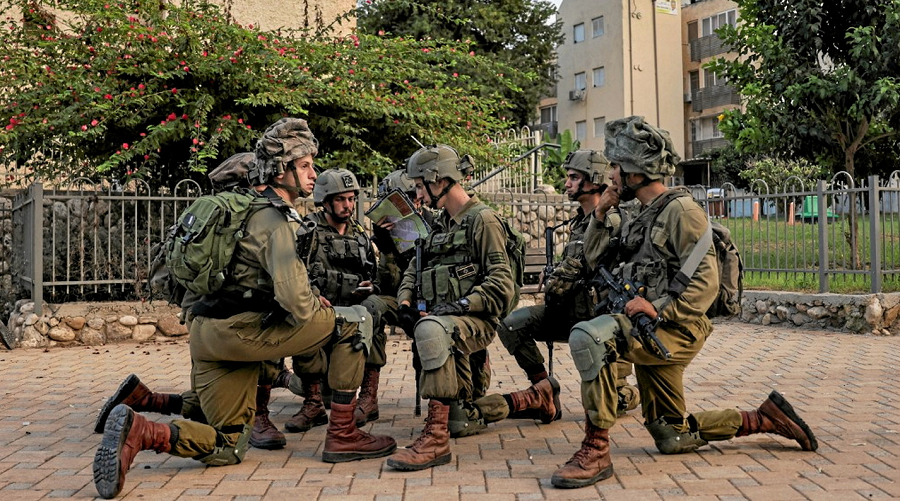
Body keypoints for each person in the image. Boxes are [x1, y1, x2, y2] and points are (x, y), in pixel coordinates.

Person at [92, 118, 396, 499]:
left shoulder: (234, 207)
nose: (313, 174)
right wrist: (318, 305)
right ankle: (343, 435)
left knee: (228, 444)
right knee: (357, 320)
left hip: (205, 332)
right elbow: (298, 305)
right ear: (280, 168)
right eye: (304, 165)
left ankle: (142, 427)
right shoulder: (275, 219)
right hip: (244, 333)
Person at [550, 116, 818, 489]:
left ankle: (595, 450)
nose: (609, 175)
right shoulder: (636, 214)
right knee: (671, 436)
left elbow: (705, 283)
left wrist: (657, 308)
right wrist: (600, 214)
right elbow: (593, 261)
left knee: (589, 337)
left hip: (675, 328)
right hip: (649, 327)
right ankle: (765, 418)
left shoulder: (682, 212)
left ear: (634, 172)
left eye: (614, 167)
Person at [385, 144, 558, 471]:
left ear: (439, 181)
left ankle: (435, 440)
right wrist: (406, 301)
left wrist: (458, 305)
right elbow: (413, 269)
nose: (417, 194)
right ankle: (533, 398)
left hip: (474, 323)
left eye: (420, 186)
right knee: (461, 420)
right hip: (447, 328)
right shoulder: (440, 225)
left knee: (432, 329)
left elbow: (502, 286)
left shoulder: (484, 221)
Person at [496, 149, 639, 419]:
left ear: (594, 180)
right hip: (567, 312)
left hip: (598, 319)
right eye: (568, 177)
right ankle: (543, 392)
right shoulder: (578, 223)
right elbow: (573, 262)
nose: (567, 183)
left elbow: (595, 263)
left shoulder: (612, 220)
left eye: (574, 177)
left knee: (611, 402)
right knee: (512, 325)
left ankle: (634, 392)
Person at [285, 168, 394, 432]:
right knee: (305, 324)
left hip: (353, 314)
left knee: (373, 318)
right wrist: (313, 295)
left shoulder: (359, 235)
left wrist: (371, 286)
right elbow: (293, 274)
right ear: (325, 201)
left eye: (351, 199)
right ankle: (312, 402)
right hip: (323, 313)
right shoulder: (307, 231)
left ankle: (368, 398)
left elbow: (373, 274)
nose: (348, 205)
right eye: (341, 199)